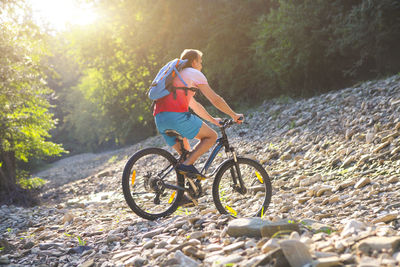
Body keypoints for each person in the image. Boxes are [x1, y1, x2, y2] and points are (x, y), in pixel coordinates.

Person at [153, 49, 243, 178]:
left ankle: (183, 194)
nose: (201, 65)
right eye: (200, 62)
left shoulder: (175, 78)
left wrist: (212, 120)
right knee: (211, 136)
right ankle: (188, 164)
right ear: (194, 62)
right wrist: (233, 115)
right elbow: (215, 99)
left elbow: (195, 106)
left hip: (160, 119)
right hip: (176, 117)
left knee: (186, 157)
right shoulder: (194, 73)